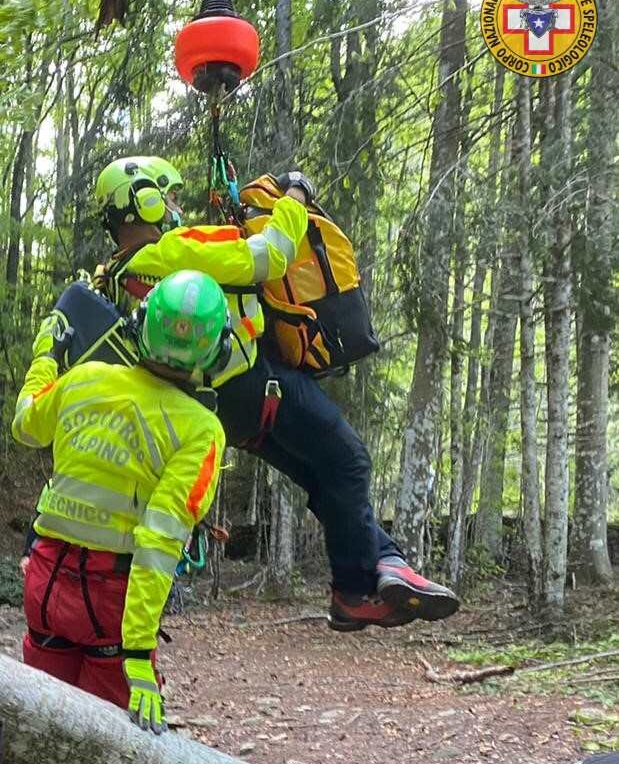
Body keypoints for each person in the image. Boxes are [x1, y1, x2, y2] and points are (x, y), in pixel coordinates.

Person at [43, 154, 458, 630]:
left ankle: (383, 562)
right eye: (170, 195)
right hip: (258, 387)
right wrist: (295, 196)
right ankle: (354, 590)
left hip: (218, 415)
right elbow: (271, 254)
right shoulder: (177, 249)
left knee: (323, 475)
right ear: (148, 201)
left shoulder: (111, 279)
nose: (177, 205)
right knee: (349, 461)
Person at [0, 270, 228, 764]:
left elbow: (26, 421)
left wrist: (48, 351)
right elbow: (159, 547)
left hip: (44, 579)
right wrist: (137, 659)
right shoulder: (199, 429)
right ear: (213, 351)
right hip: (110, 601)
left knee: (39, 752)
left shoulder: (87, 378)